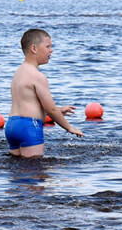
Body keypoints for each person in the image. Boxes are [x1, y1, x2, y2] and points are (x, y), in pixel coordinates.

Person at [6, 28, 83, 158]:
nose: (51, 50)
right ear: (34, 49)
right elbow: (51, 109)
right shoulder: (38, 76)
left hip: (12, 126)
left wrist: (59, 110)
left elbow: (29, 105)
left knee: (17, 172)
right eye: (48, 46)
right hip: (29, 127)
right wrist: (69, 128)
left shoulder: (18, 72)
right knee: (35, 171)